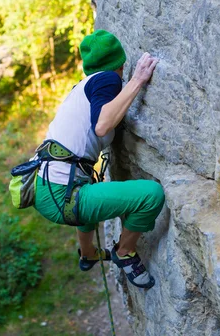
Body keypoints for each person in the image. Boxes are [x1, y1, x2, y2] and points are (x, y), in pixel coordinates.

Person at [33, 29, 165, 289]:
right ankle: (124, 251)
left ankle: (88, 253)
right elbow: (102, 126)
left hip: (43, 186)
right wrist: (137, 81)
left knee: (86, 192)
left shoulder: (80, 89)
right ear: (121, 64)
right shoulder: (106, 79)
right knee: (151, 195)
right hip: (61, 194)